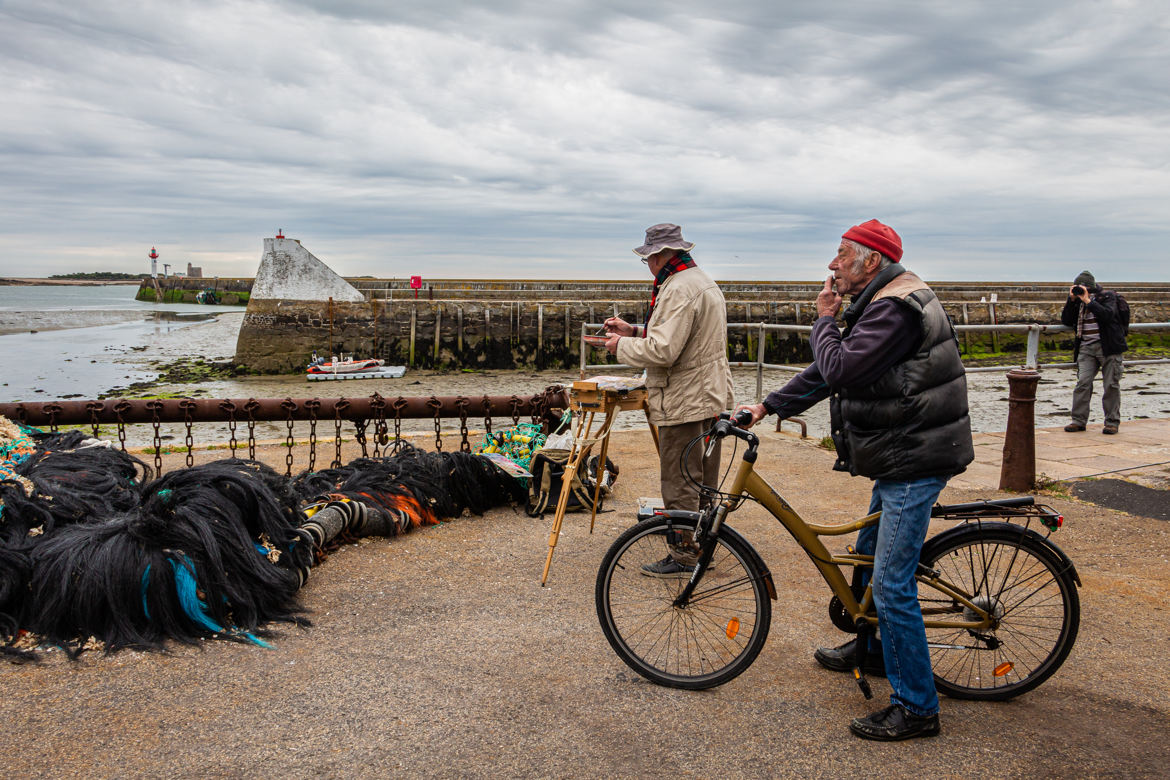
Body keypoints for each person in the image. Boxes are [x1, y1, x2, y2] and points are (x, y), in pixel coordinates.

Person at [735, 219, 973, 742]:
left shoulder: (896, 307)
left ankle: (917, 708)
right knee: (866, 559)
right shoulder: (880, 300)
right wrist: (766, 406)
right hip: (901, 452)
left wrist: (823, 320)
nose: (831, 265)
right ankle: (871, 649)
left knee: (890, 583)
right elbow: (829, 372)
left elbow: (840, 368)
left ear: (870, 262)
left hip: (915, 457)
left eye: (841, 255)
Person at [603, 223, 734, 577]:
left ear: (659, 256)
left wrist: (620, 347)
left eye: (647, 258)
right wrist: (633, 331)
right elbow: (683, 335)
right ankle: (704, 545)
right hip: (709, 395)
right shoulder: (701, 281)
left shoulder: (676, 289)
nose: (647, 264)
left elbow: (664, 349)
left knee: (679, 481)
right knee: (704, 479)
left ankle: (684, 556)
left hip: (684, 399)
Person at [1060, 271, 1126, 434]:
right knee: (1082, 383)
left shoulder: (1107, 297)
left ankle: (1112, 422)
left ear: (1090, 287)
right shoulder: (1077, 301)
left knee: (1110, 385)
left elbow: (1108, 316)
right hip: (1086, 348)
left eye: (1082, 287)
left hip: (1108, 347)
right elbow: (1066, 320)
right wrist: (1072, 300)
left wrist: (1088, 301)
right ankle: (1078, 421)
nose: (1080, 290)